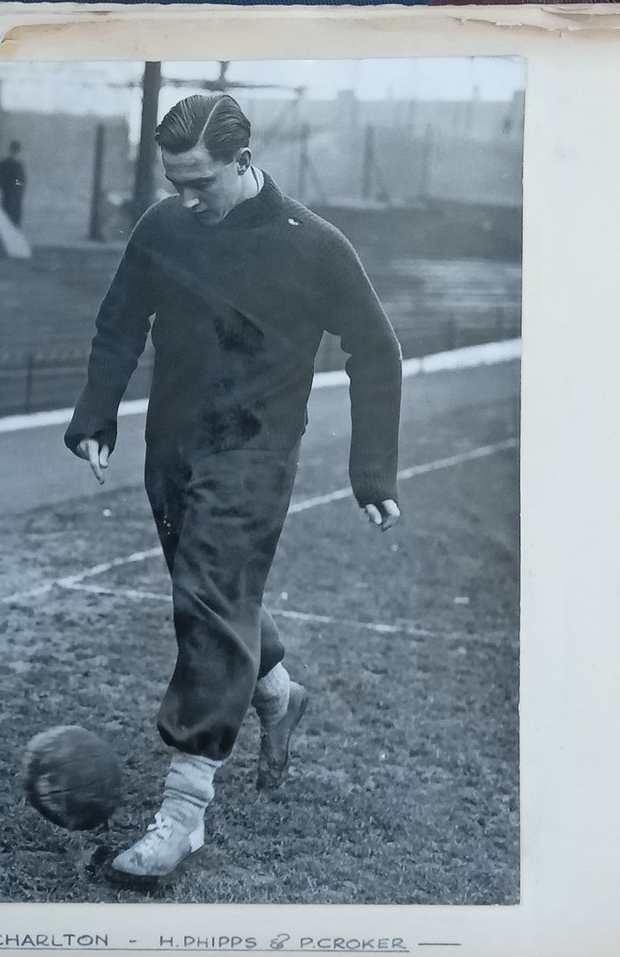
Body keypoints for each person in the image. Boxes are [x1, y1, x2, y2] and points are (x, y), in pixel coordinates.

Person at [64, 93, 403, 887]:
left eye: (201, 182)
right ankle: (278, 692)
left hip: (255, 453)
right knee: (210, 590)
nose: (186, 198)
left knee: (209, 594)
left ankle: (183, 811)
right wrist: (95, 411)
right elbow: (120, 320)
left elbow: (376, 349)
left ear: (245, 164)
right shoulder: (163, 227)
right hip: (172, 449)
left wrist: (372, 470)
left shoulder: (314, 246)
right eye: (175, 180)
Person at [0, 140, 27, 227]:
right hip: (13, 193)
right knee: (13, 215)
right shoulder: (17, 165)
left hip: (8, 192)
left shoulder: (4, 163)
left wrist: (5, 185)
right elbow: (20, 180)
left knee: (6, 212)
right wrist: (16, 185)